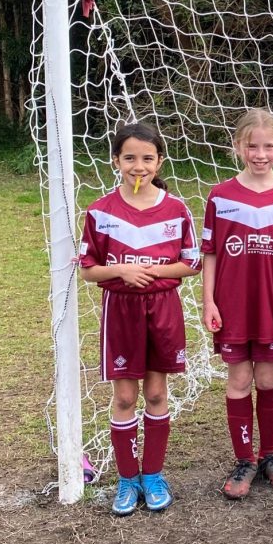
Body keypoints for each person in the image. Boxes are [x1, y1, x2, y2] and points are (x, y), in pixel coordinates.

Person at [78, 123, 201, 515]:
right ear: (116, 160)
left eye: (147, 158)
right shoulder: (100, 211)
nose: (138, 166)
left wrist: (152, 270)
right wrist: (122, 271)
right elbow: (87, 268)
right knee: (125, 397)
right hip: (121, 309)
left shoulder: (176, 209)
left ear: (159, 161)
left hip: (162, 308)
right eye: (129, 157)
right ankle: (127, 480)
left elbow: (191, 262)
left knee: (157, 394)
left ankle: (153, 475)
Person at [201, 109, 273, 499]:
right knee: (239, 380)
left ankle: (269, 456)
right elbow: (211, 252)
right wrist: (208, 300)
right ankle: (244, 460)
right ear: (238, 147)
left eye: (268, 146)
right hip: (231, 303)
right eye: (252, 146)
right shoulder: (221, 195)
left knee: (268, 379)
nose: (260, 154)